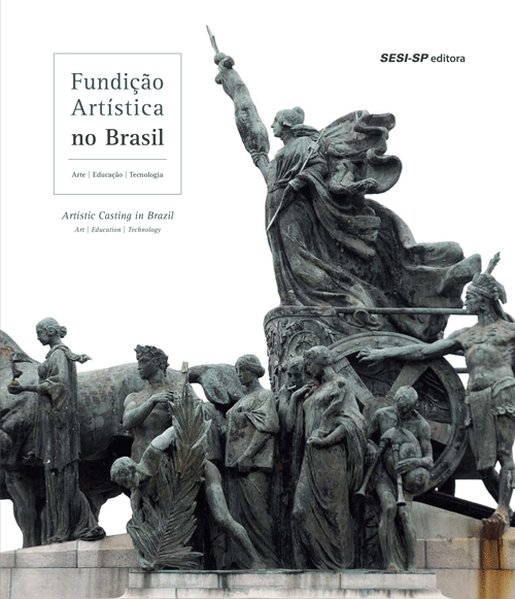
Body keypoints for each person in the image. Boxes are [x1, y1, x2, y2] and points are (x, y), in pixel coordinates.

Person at [212, 48, 480, 342]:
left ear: (286, 124)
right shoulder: (280, 156)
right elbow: (249, 121)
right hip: (280, 209)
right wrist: (231, 80)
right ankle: (318, 306)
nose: (271, 125)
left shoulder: (305, 146)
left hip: (297, 210)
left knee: (305, 268)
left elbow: (316, 170)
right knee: (292, 276)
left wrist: (299, 182)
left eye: (275, 120)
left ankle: (354, 303)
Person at [358, 255, 515, 538]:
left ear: (484, 301)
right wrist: (385, 352)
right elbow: (423, 351)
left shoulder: (509, 331)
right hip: (474, 397)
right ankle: (507, 510)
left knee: (505, 454)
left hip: (502, 392)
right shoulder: (465, 335)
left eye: (470, 297)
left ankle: (502, 509)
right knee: (483, 465)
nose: (465, 303)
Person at [7, 317, 105, 543]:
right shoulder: (55, 355)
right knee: (56, 476)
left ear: (50, 331)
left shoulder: (60, 354)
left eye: (39, 331)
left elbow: (59, 385)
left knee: (62, 475)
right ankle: (64, 528)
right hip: (51, 422)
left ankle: (76, 525)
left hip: (60, 425)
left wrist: (25, 387)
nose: (37, 336)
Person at [290, 346, 365, 569]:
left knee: (335, 511)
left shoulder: (340, 385)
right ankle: (310, 566)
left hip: (331, 455)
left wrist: (327, 440)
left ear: (320, 361)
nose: (307, 368)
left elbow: (353, 421)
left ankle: (340, 564)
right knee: (299, 511)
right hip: (310, 455)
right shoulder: (314, 389)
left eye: (309, 363)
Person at [365, 386, 433, 571]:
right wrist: (371, 447)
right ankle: (389, 561)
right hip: (383, 474)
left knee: (405, 515)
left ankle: (412, 563)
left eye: (404, 410)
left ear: (413, 407)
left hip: (405, 477)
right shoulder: (381, 415)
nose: (399, 413)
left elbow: (429, 460)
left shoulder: (421, 425)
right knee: (389, 508)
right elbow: (367, 438)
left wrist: (413, 462)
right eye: (398, 407)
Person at [225, 354, 280, 567]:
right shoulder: (242, 399)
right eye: (237, 370)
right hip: (234, 467)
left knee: (257, 514)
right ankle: (246, 561)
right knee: (238, 515)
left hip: (253, 466)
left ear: (254, 371)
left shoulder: (264, 396)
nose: (239, 374)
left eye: (243, 370)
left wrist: (248, 455)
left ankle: (268, 559)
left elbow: (268, 427)